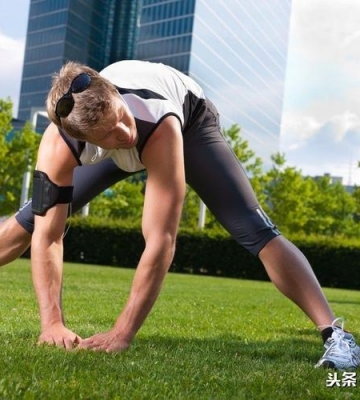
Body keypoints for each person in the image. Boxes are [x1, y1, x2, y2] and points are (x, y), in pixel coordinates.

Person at [0, 60, 358, 369]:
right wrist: (52, 324)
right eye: (108, 132)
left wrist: (122, 332)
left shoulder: (157, 123)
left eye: (120, 117)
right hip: (116, 141)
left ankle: (337, 335)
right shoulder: (58, 145)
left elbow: (161, 241)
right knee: (32, 223)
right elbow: (48, 237)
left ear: (116, 97)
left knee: (252, 228)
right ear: (82, 137)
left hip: (190, 122)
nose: (124, 132)